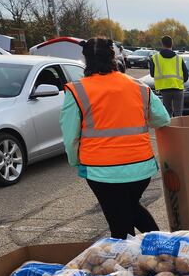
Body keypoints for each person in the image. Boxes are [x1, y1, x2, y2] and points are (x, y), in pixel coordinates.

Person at [61, 37, 171, 238]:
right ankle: (162, 245)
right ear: (114, 57)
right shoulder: (138, 87)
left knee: (120, 225)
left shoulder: (77, 90)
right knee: (129, 209)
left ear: (86, 60)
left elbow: (70, 136)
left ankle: (129, 262)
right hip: (140, 168)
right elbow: (163, 119)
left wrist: (75, 160)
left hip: (101, 171)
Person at [149, 35, 189, 117]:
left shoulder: (155, 58)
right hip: (178, 88)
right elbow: (186, 75)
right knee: (178, 114)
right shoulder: (179, 58)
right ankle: (178, 129)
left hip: (165, 89)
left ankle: (169, 129)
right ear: (172, 44)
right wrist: (179, 81)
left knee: (167, 113)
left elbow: (152, 74)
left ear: (162, 44)